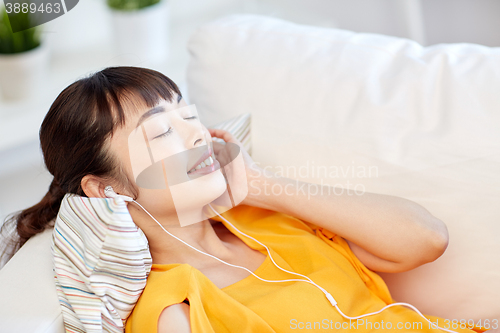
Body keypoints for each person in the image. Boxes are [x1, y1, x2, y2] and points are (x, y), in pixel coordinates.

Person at [0, 67, 488, 333]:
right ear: (109, 189)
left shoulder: (266, 219)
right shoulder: (175, 306)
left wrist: (260, 185)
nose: (195, 136)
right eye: (164, 132)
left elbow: (426, 239)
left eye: (189, 116)